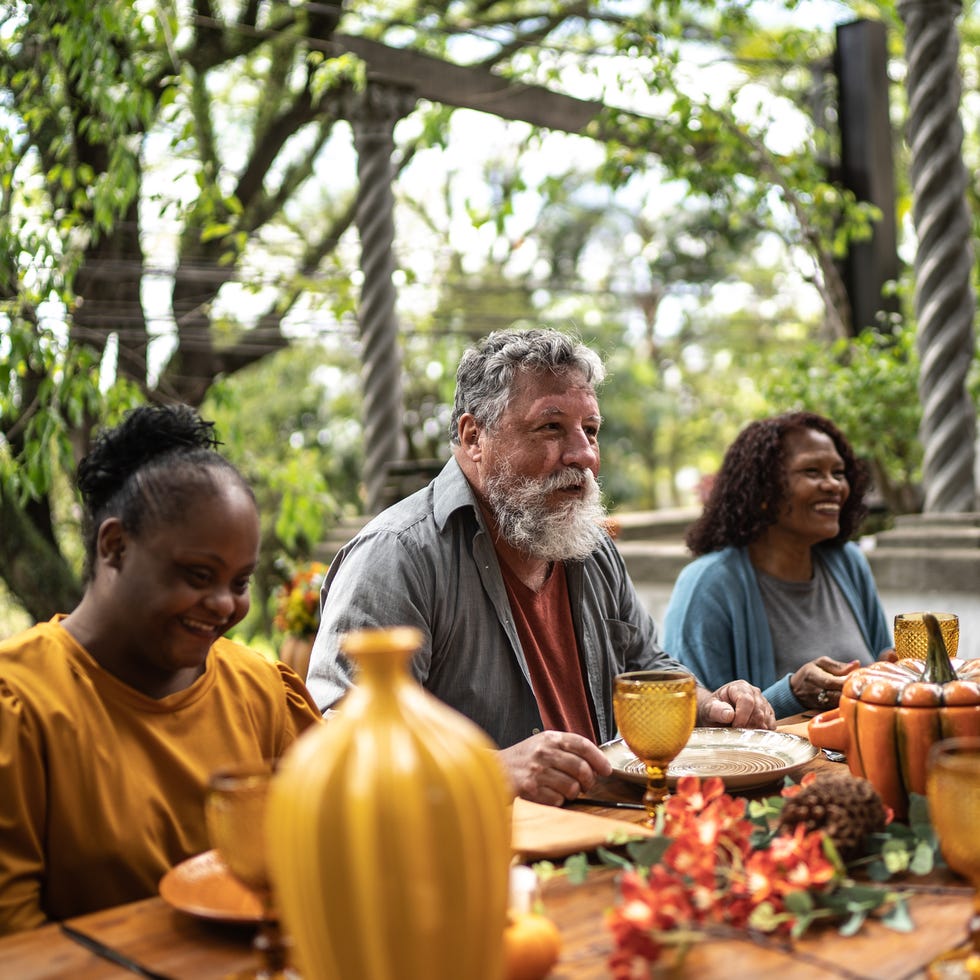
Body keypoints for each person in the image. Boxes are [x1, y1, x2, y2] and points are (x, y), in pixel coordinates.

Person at [306, 328, 774, 807]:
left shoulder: (589, 544)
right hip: (481, 857)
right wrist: (491, 770)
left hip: (606, 828)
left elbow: (647, 668)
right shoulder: (396, 555)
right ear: (473, 438)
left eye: (590, 431)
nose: (584, 455)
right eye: (551, 428)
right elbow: (340, 741)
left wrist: (711, 705)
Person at [0, 405, 322, 936]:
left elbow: (330, 845)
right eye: (199, 575)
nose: (224, 605)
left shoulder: (261, 694)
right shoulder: (21, 705)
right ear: (114, 547)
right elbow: (14, 939)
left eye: (240, 583)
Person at [663, 411, 893, 719]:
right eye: (812, 472)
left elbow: (881, 659)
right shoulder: (708, 585)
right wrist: (793, 694)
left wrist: (894, 670)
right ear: (764, 492)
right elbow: (694, 722)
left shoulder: (849, 563)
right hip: (766, 767)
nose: (833, 485)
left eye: (838, 473)